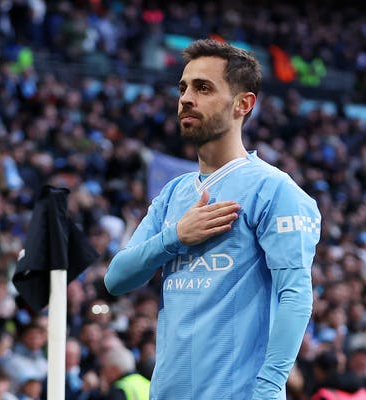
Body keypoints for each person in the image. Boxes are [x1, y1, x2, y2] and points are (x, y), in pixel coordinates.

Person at [104, 38, 321, 399]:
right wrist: (176, 236)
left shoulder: (274, 189)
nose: (186, 98)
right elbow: (116, 279)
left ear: (243, 103)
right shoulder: (173, 194)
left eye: (203, 88)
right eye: (184, 88)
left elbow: (296, 297)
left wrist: (267, 390)